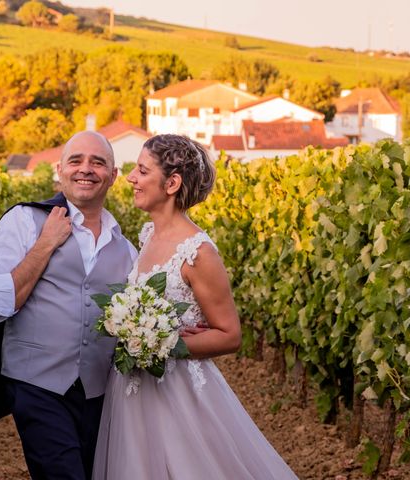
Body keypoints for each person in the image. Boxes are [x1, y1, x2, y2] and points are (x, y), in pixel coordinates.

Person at [92, 134, 298, 479]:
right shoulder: (147, 236)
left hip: (177, 393)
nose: (131, 178)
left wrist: (161, 342)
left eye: (142, 171)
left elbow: (230, 335)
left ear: (171, 183)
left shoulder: (198, 252)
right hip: (132, 389)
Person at [0, 131, 137, 480]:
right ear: (59, 170)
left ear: (112, 176)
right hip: (37, 386)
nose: (86, 169)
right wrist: (44, 246)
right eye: (76, 160)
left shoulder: (126, 249)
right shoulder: (23, 220)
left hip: (100, 394)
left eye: (98, 162)